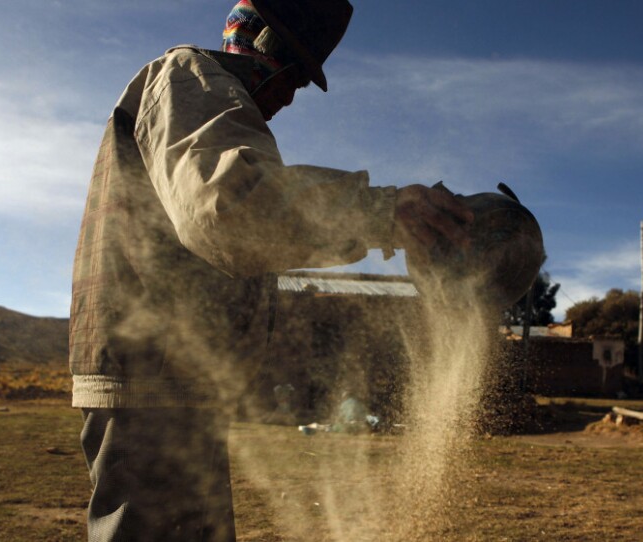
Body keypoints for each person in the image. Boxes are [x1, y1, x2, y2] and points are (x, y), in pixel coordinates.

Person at [70, 1, 473, 540]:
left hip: (174, 381)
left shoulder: (219, 104)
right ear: (251, 40)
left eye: (303, 82)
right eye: (290, 71)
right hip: (151, 377)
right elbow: (229, 208)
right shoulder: (190, 76)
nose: (291, 94)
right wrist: (381, 210)